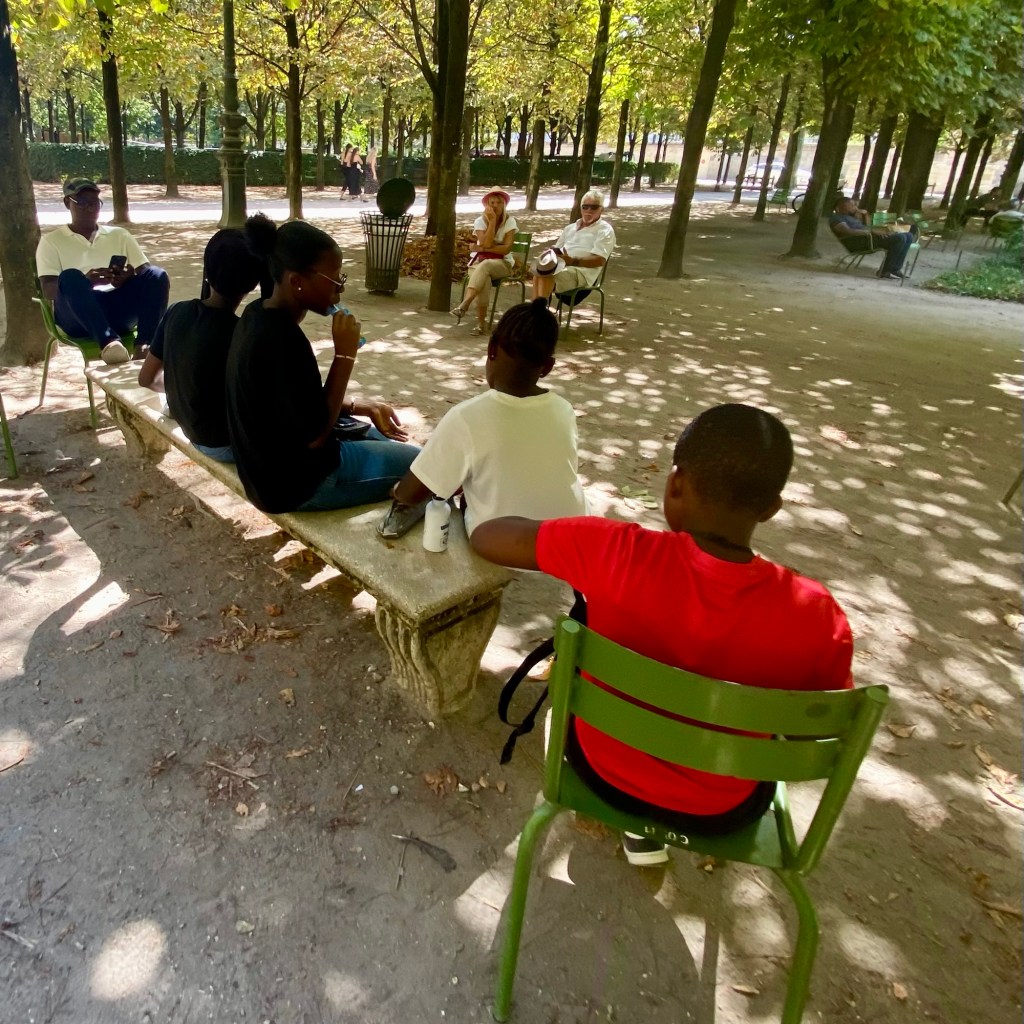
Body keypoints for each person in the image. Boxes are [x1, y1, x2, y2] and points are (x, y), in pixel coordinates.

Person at [471, 403, 854, 866]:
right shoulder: (816, 614)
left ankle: (635, 825)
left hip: (604, 773)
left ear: (675, 483)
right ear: (771, 508)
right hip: (722, 808)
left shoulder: (612, 550)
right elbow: (811, 734)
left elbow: (488, 536)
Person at [224, 221, 419, 514]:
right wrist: (345, 356)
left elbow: (291, 404)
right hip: (301, 484)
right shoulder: (281, 340)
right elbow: (315, 436)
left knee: (390, 442)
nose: (340, 288)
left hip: (269, 475)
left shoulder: (257, 314)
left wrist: (357, 407)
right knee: (425, 467)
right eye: (334, 279)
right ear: (297, 282)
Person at [378, 299, 586, 539]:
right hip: (573, 539)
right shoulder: (563, 410)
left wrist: (397, 489)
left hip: (505, 544)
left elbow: (409, 494)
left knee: (458, 502)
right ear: (548, 367)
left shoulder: (467, 417)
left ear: (491, 349)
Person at [137, 215, 275, 463]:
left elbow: (146, 378)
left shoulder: (176, 311)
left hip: (192, 429)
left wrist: (184, 392)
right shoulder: (243, 333)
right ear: (253, 283)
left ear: (207, 271)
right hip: (225, 444)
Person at [36, 177, 170, 364]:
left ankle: (144, 346)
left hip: (117, 310)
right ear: (67, 203)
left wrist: (128, 277)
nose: (90, 208)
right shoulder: (51, 241)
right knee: (70, 276)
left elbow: (149, 277)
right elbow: (48, 290)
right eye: (82, 202)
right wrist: (85, 282)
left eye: (95, 203)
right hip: (77, 316)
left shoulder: (119, 235)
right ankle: (109, 344)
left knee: (157, 274)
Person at [450, 189, 520, 336]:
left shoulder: (510, 221)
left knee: (486, 265)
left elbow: (505, 249)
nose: (495, 206)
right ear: (487, 205)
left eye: (499, 202)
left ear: (504, 204)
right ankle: (481, 324)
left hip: (502, 264)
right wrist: (492, 222)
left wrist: (482, 248)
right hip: (478, 263)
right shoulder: (480, 221)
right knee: (485, 278)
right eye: (492, 202)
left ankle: (466, 303)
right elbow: (487, 243)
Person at [531, 189, 615, 303]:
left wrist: (572, 261)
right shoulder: (570, 228)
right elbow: (558, 249)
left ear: (602, 209)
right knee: (539, 272)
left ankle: (538, 311)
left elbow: (600, 260)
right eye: (585, 207)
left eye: (594, 207)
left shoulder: (604, 230)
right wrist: (552, 253)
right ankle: (536, 309)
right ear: (581, 208)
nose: (589, 210)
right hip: (562, 267)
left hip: (583, 273)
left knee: (546, 276)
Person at [829, 196, 918, 280]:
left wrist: (865, 214)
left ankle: (895, 269)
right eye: (851, 205)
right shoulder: (836, 218)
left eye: (855, 205)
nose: (855, 207)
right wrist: (870, 232)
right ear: (841, 207)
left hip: (868, 239)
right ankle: (885, 271)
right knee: (900, 238)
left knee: (908, 236)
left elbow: (868, 226)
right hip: (859, 242)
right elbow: (847, 231)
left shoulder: (852, 217)